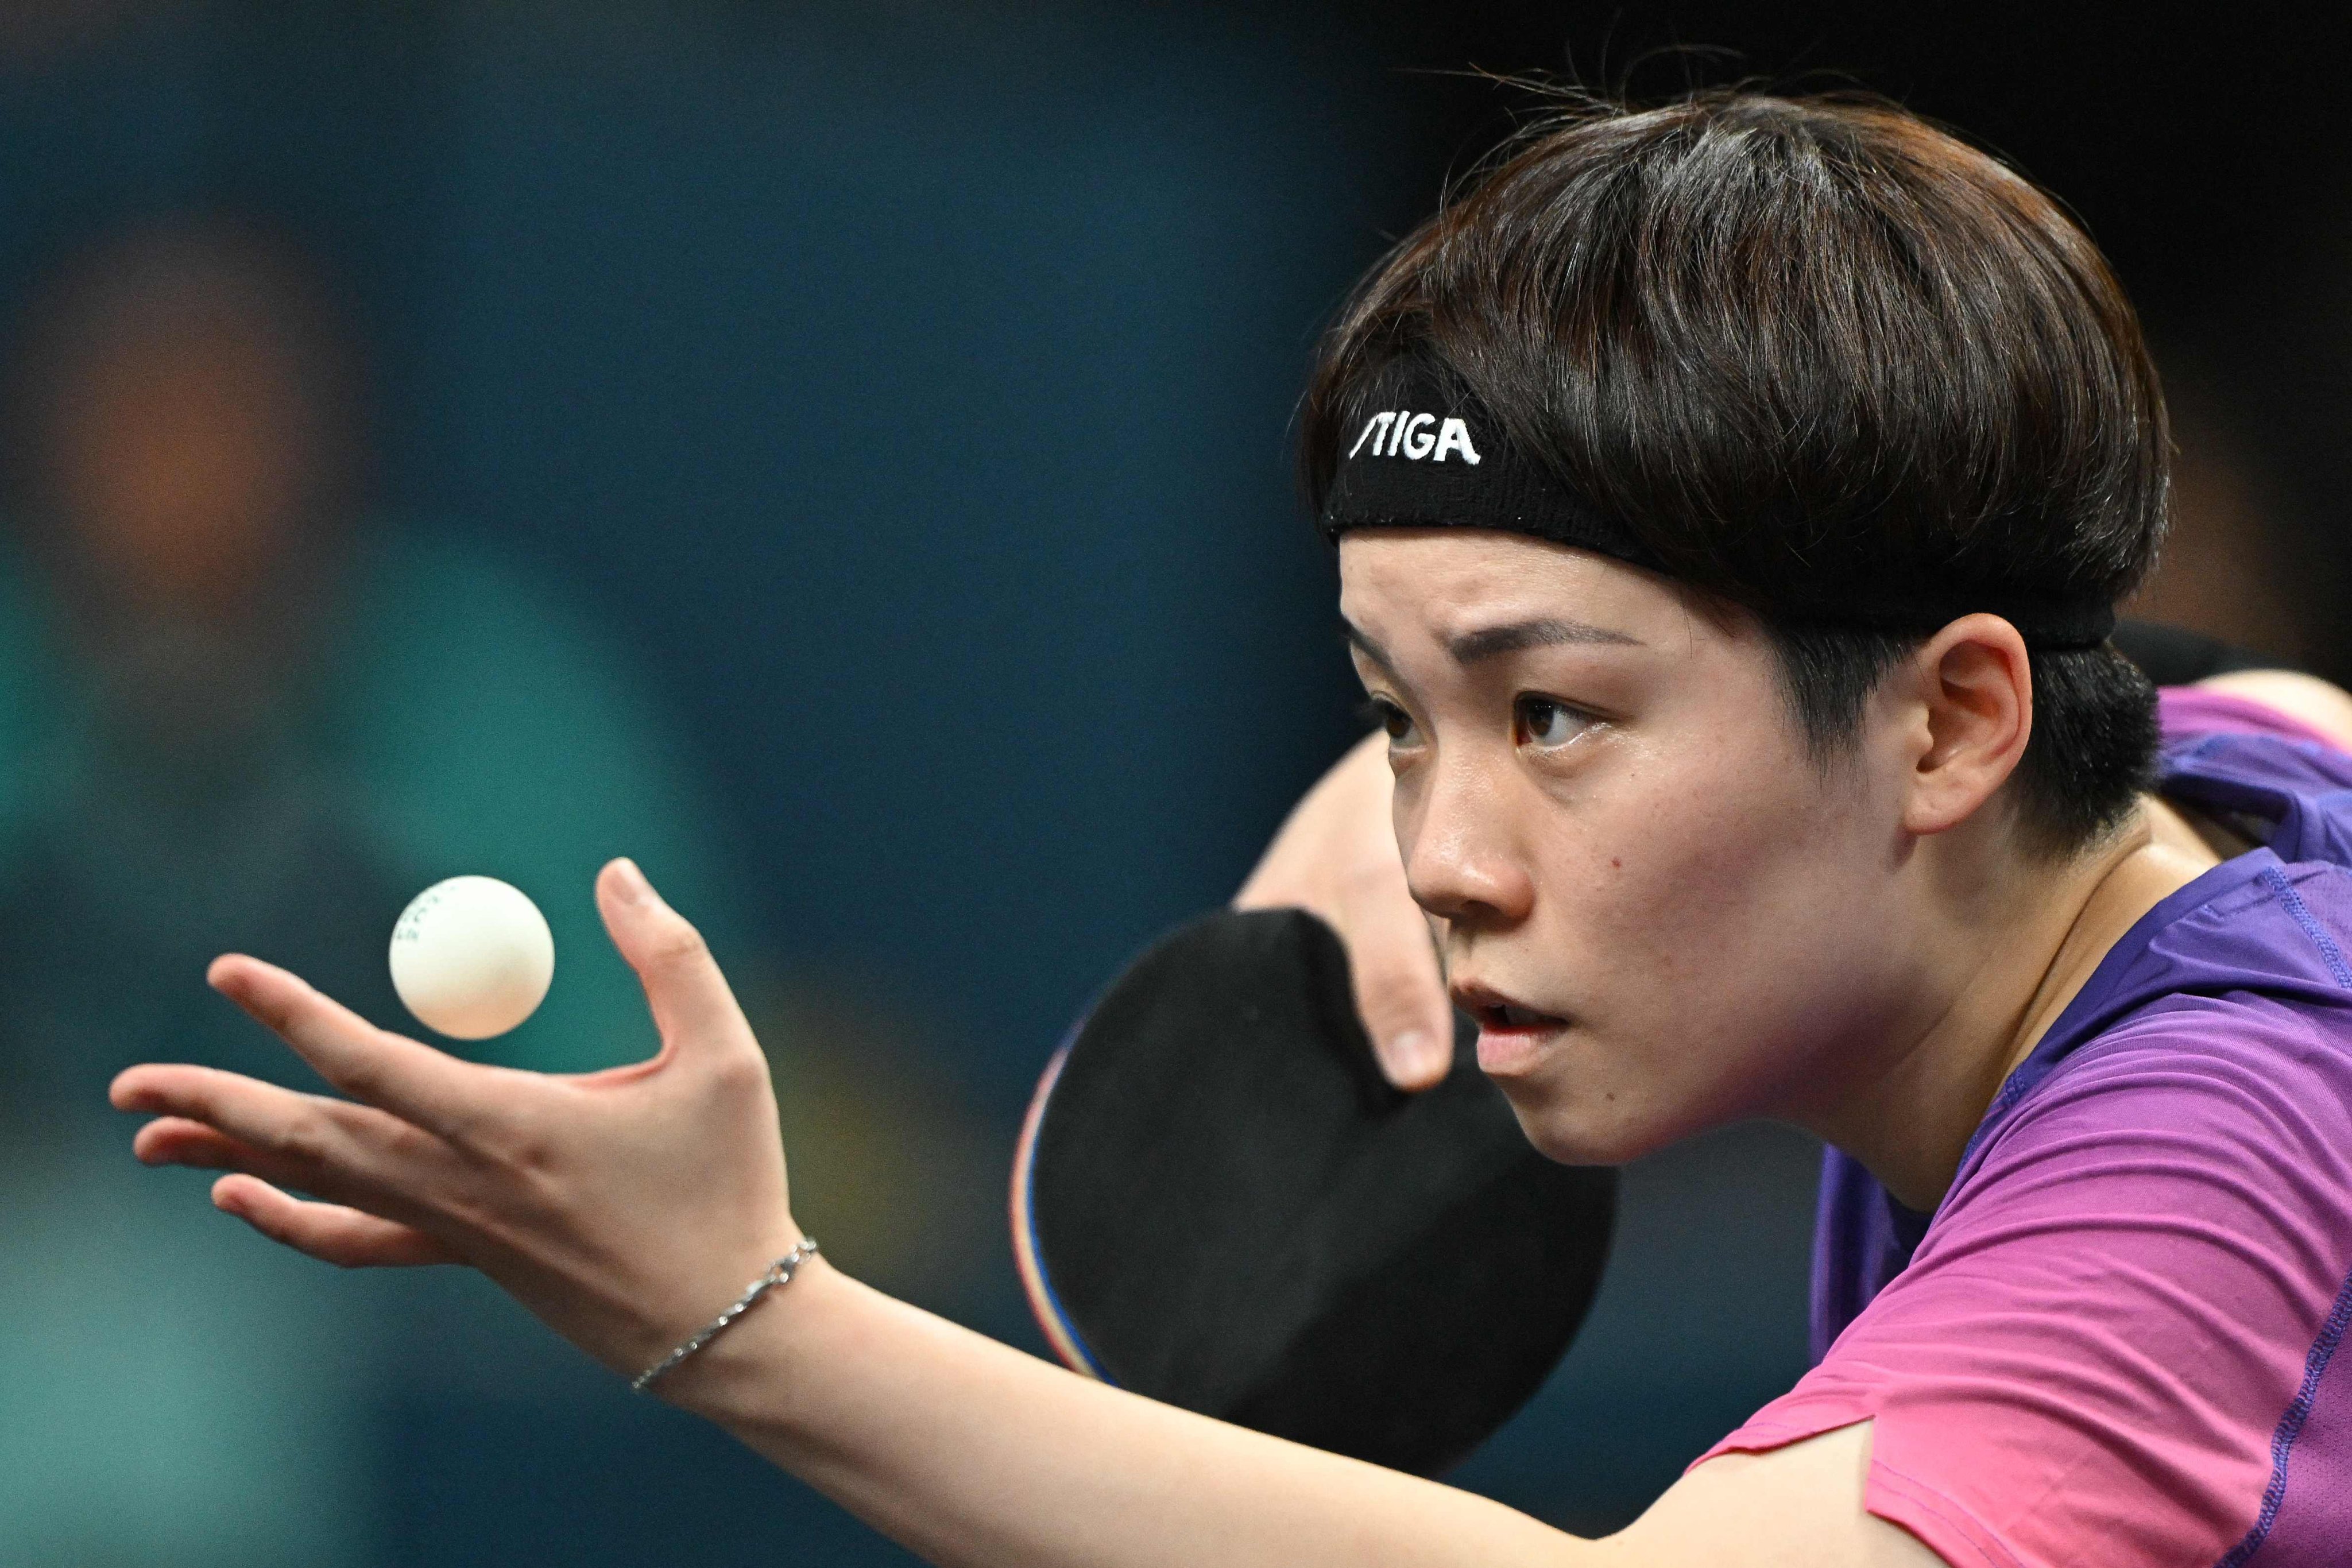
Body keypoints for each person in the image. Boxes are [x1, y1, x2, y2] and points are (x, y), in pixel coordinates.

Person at [109, 92, 2352, 1566]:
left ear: (1952, 717)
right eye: (1389, 707)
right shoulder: (2240, 780)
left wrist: (742, 1311)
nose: (1446, 844)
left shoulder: (2225, 1130)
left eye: (1555, 708)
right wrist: (1462, 751)